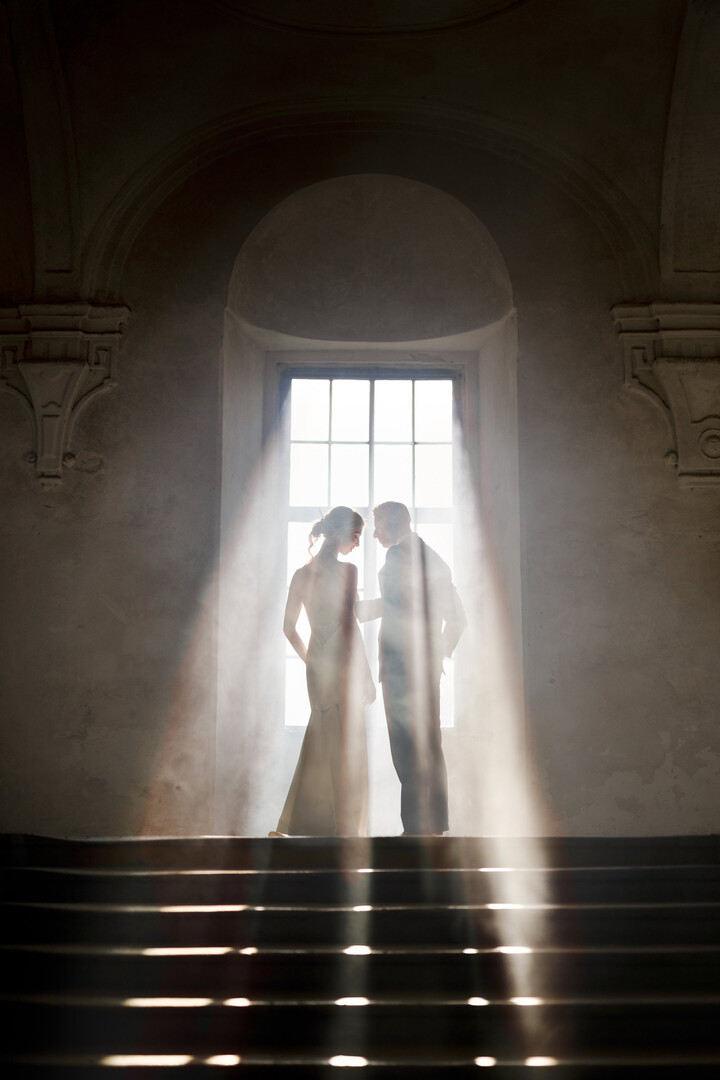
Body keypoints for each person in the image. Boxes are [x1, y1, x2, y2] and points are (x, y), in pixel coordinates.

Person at [359, 501, 466, 836]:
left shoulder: (397, 557)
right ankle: (434, 824)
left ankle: (416, 830)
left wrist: (353, 609)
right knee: (429, 744)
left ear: (395, 523)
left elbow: (396, 605)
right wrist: (436, 655)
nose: (374, 533)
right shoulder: (433, 557)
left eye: (377, 525)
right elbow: (458, 618)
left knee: (405, 747)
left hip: (400, 667)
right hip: (425, 669)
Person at [273, 506, 375, 837]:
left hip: (317, 663)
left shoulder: (300, 576)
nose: (357, 544)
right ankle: (343, 827)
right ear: (342, 534)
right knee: (347, 743)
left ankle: (310, 823)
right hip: (342, 663)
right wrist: (367, 676)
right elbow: (349, 627)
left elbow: (288, 628)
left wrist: (311, 661)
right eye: (356, 536)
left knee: (323, 736)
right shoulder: (349, 571)